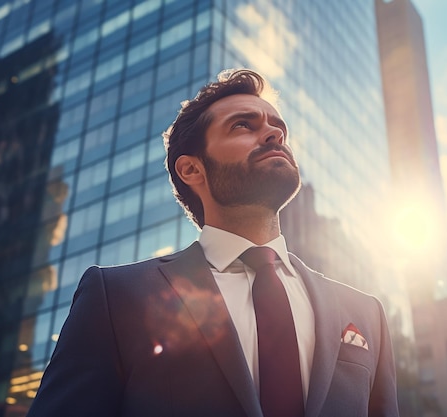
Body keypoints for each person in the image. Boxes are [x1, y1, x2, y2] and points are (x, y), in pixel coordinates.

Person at [27, 69, 399, 417]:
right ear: (192, 169)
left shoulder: (366, 314)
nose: (273, 135)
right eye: (243, 125)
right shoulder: (115, 297)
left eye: (278, 129)